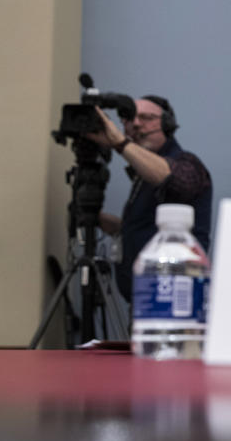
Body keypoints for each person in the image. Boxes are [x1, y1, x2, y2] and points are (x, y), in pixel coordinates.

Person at [84, 95, 212, 301]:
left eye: (146, 117)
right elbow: (149, 229)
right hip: (144, 303)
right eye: (129, 119)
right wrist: (115, 226)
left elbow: (173, 179)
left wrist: (120, 143)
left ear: (167, 124)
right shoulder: (142, 176)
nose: (136, 124)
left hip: (172, 300)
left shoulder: (187, 163)